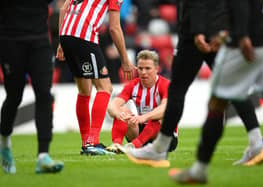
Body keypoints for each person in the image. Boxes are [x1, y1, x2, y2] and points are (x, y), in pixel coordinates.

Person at [126, 0, 263, 168]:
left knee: (177, 90)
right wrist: (228, 29)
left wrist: (197, 30)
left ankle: (159, 149)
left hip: (195, 34)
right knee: (233, 87)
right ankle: (257, 142)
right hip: (218, 30)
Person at [169, 0, 263, 184]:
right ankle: (256, 143)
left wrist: (240, 33)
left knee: (217, 103)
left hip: (243, 41)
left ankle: (199, 170)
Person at [56, 0, 136, 155]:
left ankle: (86, 142)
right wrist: (125, 59)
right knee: (105, 87)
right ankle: (92, 142)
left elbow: (63, 8)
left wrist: (61, 42)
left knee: (84, 91)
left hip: (67, 35)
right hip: (84, 36)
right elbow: (114, 28)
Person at [0, 0, 64, 174]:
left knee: (44, 94)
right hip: (10, 42)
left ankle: (43, 155)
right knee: (14, 96)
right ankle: (4, 144)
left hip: (39, 43)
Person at [106, 50, 178, 156]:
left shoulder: (165, 84)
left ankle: (133, 146)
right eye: (140, 68)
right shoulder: (132, 85)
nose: (143, 72)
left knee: (159, 117)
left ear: (157, 69)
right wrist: (119, 114)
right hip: (142, 131)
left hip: (165, 137)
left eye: (147, 68)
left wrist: (144, 117)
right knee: (122, 110)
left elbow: (165, 108)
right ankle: (116, 145)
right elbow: (112, 106)